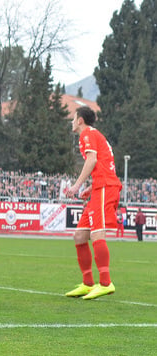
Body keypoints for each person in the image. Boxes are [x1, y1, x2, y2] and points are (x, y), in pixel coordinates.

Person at [63, 106, 122, 300]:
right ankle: (88, 283)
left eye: (73, 118)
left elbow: (92, 159)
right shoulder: (93, 134)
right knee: (80, 235)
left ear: (80, 120)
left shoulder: (87, 133)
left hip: (106, 188)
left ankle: (105, 282)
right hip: (100, 187)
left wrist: (77, 186)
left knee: (98, 234)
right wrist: (90, 187)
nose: (72, 122)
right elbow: (101, 163)